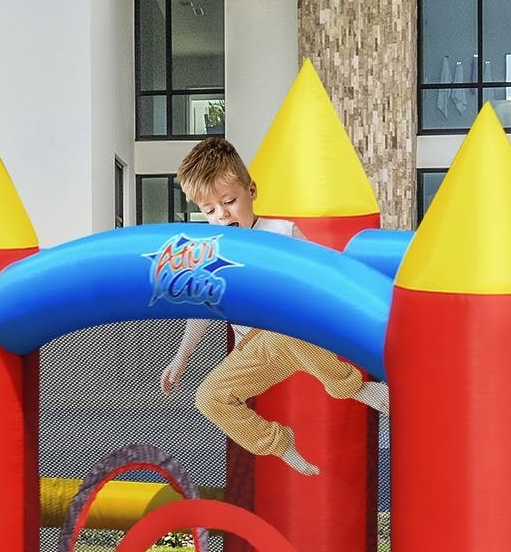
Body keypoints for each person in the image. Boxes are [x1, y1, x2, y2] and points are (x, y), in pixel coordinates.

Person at [159, 136, 388, 476]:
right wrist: (181, 358)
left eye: (229, 202)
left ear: (251, 191)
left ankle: (354, 387)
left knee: (283, 327)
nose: (223, 215)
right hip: (254, 347)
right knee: (208, 398)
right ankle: (279, 443)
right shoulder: (211, 253)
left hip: (297, 330)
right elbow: (200, 309)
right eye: (210, 210)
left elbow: (321, 276)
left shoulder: (280, 232)